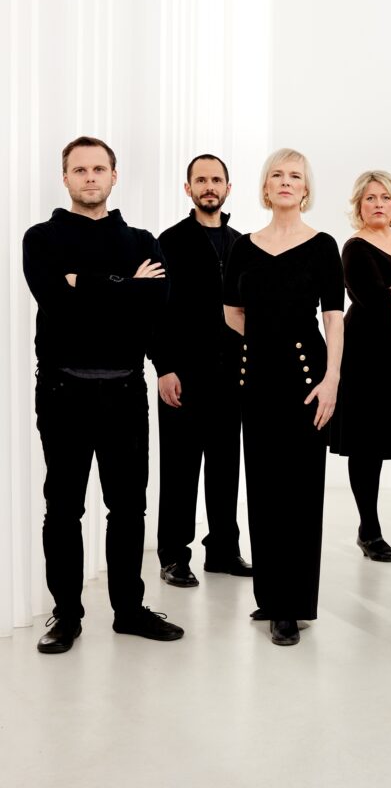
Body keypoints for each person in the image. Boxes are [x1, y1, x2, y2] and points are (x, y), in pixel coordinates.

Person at [24, 136, 183, 653]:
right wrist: (125, 286)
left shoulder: (141, 240)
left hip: (124, 391)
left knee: (129, 508)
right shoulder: (42, 238)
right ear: (65, 178)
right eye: (80, 169)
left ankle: (129, 611)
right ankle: (66, 616)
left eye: (98, 169)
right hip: (62, 390)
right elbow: (55, 300)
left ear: (114, 176)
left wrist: (85, 283)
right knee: (63, 508)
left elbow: (156, 301)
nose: (89, 177)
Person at [223, 149, 344, 646]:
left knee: (301, 490)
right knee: (264, 487)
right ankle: (271, 597)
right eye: (277, 174)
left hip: (306, 377)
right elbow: (231, 312)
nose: (286, 181)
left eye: (295, 175)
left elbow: (333, 317)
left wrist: (332, 379)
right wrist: (264, 339)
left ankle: (292, 605)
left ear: (306, 188)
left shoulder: (323, 245)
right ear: (266, 187)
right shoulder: (243, 247)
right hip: (256, 377)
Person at [154, 154, 251, 589]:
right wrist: (164, 367)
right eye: (201, 180)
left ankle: (224, 550)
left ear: (228, 188)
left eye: (216, 180)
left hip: (230, 375)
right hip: (184, 376)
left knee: (226, 466)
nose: (209, 186)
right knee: (180, 469)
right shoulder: (169, 241)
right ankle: (174, 556)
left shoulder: (241, 244)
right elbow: (156, 311)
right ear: (188, 188)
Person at [330, 170, 391, 562]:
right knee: (367, 448)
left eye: (385, 197)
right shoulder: (355, 248)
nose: (378, 204)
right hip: (365, 357)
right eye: (370, 198)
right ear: (359, 205)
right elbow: (378, 304)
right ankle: (369, 530)